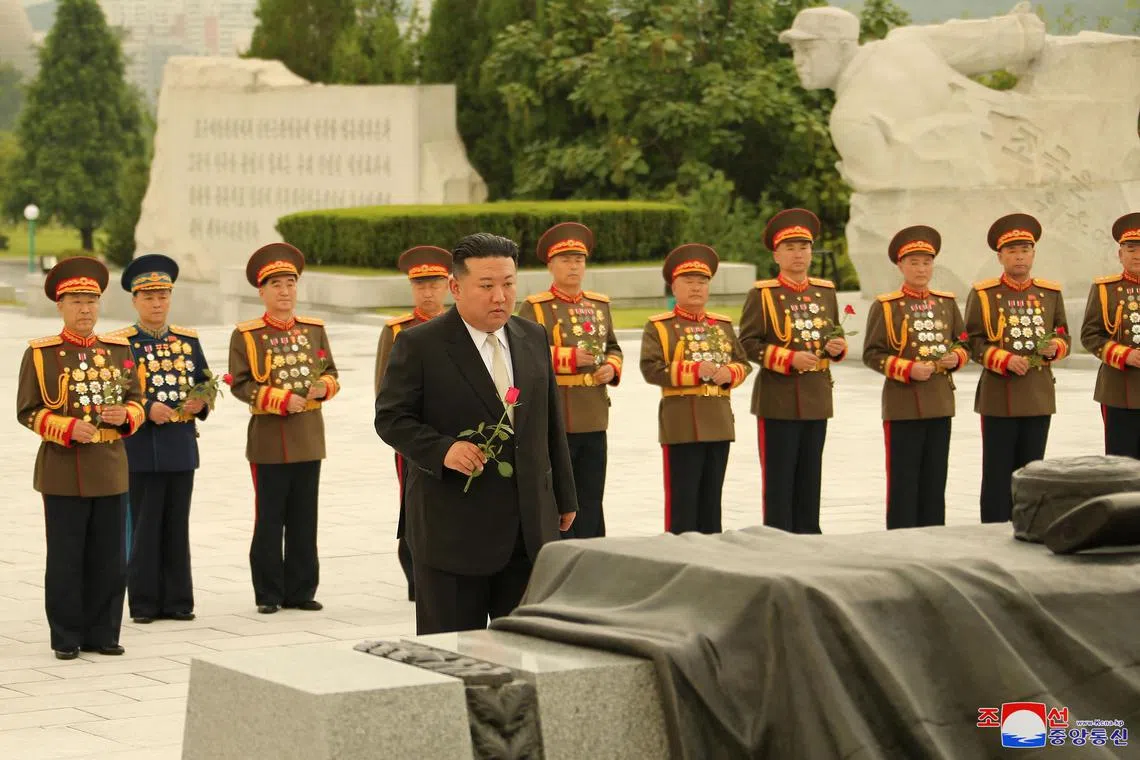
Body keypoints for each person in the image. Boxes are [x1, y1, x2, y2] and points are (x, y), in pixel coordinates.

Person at [374, 232, 578, 635]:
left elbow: (550, 422)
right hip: (453, 533)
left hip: (528, 531)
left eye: (508, 283)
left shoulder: (532, 336)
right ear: (456, 287)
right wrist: (443, 450)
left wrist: (564, 496)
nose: (500, 296)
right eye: (486, 286)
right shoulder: (419, 345)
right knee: (452, 656)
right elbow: (391, 417)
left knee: (526, 651)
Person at [16, 257, 146, 659]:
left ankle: (104, 633)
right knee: (67, 557)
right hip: (62, 469)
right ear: (60, 305)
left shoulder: (120, 350)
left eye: (91, 300)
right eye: (75, 301)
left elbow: (138, 401)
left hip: (109, 466)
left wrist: (127, 416)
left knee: (110, 558)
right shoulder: (42, 355)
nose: (85, 309)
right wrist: (66, 427)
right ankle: (67, 636)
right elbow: (28, 410)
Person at [227, 242, 340, 614]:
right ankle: (269, 592)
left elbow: (331, 373)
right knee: (269, 519)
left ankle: (302, 589)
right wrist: (276, 399)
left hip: (308, 436)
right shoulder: (247, 335)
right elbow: (241, 384)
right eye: (276, 285)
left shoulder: (313, 330)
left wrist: (324, 388)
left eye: (290, 283)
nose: (285, 291)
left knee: (305, 518)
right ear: (261, 291)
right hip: (270, 440)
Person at [113, 254, 211, 624]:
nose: (157, 304)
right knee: (143, 525)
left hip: (180, 446)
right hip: (140, 449)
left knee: (176, 524)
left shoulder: (187, 340)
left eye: (163, 296)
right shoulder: (123, 343)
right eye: (149, 297)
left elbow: (204, 379)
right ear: (135, 301)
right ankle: (143, 603)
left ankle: (178, 600)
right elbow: (118, 390)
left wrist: (201, 401)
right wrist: (148, 405)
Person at [738, 208, 848, 534]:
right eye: (790, 248)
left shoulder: (825, 291)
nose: (798, 254)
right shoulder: (764, 294)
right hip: (778, 398)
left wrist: (838, 348)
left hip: (816, 396)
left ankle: (809, 536)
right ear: (776, 254)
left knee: (811, 475)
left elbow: (833, 333)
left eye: (804, 247)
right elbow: (747, 342)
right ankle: (778, 539)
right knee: (779, 478)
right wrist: (787, 359)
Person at [518, 221, 622, 539]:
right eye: (565, 259)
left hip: (593, 413)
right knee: (558, 499)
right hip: (555, 415)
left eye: (579, 259)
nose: (574, 265)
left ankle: (594, 559)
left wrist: (613, 368)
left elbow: (613, 347)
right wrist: (567, 359)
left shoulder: (599, 305)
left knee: (592, 496)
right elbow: (522, 355)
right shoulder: (535, 308)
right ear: (550, 265)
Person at [965, 213, 1070, 523]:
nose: (1019, 256)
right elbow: (973, 341)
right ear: (1000, 256)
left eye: (1025, 250)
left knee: (1034, 468)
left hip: (1038, 393)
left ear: (1033, 254)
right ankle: (995, 528)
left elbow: (1063, 333)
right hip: (1000, 393)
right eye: (1012, 251)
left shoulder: (1049, 293)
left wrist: (1056, 349)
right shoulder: (985, 295)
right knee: (997, 470)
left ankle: (1032, 525)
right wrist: (1004, 359)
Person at [862, 226, 969, 529]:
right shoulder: (887, 305)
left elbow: (963, 343)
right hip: (903, 401)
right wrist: (907, 369)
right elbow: (872, 353)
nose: (921, 269)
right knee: (904, 478)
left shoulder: (946, 303)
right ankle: (901, 537)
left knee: (936, 477)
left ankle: (934, 534)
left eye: (927, 262)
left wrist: (955, 358)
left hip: (939, 399)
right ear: (900, 265)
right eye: (914, 263)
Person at [639, 244, 751, 534]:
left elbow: (743, 363)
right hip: (682, 423)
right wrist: (692, 371)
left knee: (712, 503)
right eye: (688, 281)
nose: (696, 287)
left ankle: (711, 557)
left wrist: (730, 373)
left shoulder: (722, 325)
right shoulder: (660, 327)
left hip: (719, 420)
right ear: (673, 286)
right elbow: (651, 369)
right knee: (683, 503)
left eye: (702, 282)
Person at [374, 245, 453, 601]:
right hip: (416, 435)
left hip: (454, 432)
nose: (428, 291)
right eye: (420, 285)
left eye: (434, 283)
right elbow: (385, 388)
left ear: (448, 285)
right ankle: (415, 573)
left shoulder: (459, 327)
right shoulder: (397, 331)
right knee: (414, 502)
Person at [1080, 212, 1140, 457]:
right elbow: (1090, 335)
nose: (1137, 255)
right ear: (1120, 254)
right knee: (1120, 464)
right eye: (1131, 248)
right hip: (1119, 389)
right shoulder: (1106, 289)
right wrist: (1124, 355)